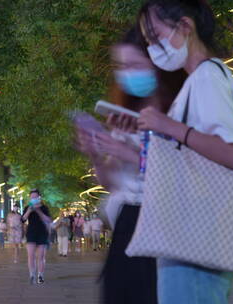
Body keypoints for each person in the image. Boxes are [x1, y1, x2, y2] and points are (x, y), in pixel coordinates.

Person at [134, 1, 233, 303]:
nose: (153, 48)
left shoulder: (207, 77)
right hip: (195, 240)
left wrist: (169, 126)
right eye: (148, 42)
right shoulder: (202, 79)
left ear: (185, 27)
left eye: (156, 36)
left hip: (195, 243)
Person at [76, 23, 186, 303]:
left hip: (167, 225)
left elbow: (185, 172)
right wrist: (96, 153)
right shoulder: (126, 114)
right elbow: (110, 182)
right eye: (122, 66)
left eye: (136, 65)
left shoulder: (179, 110)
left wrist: (129, 154)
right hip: (127, 223)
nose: (127, 74)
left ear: (158, 64)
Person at [22, 189, 52, 285]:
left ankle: (40, 275)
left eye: (35, 197)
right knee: (30, 255)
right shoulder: (27, 207)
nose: (33, 199)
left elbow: (48, 220)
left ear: (39, 197)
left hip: (42, 233)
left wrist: (38, 211)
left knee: (41, 256)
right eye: (32, 197)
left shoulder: (44, 208)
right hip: (31, 232)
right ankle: (32, 275)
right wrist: (29, 210)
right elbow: (23, 219)